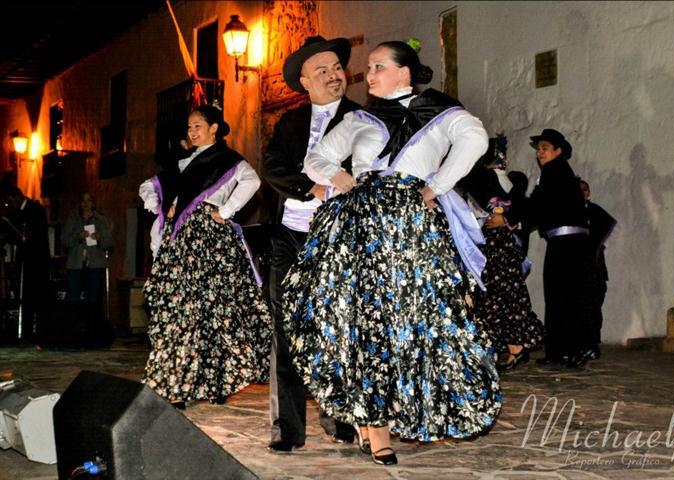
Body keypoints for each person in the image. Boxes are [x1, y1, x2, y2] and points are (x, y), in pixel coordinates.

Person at [283, 40, 502, 466]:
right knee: (363, 323)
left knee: (413, 319)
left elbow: (476, 141)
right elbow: (317, 159)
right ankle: (373, 426)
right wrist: (340, 177)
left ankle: (411, 408)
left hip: (409, 231)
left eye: (378, 66)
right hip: (359, 228)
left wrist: (435, 187)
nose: (369, 74)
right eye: (368, 67)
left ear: (405, 72)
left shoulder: (442, 114)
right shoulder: (361, 118)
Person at [261, 35, 361, 452]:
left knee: (338, 327)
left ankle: (339, 417)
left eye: (337, 68)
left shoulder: (363, 119)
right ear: (304, 81)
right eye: (322, 70)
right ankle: (288, 428)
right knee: (286, 330)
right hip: (290, 234)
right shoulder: (289, 123)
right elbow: (272, 167)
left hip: (337, 236)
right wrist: (311, 188)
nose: (333, 75)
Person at [139, 104, 271, 409]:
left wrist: (225, 211)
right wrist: (158, 205)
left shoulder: (227, 160)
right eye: (189, 128)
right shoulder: (184, 164)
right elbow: (150, 187)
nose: (192, 132)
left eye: (198, 126)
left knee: (213, 313)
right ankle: (180, 383)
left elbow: (252, 182)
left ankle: (215, 381)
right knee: (182, 312)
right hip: (182, 239)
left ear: (214, 128)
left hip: (210, 240)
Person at [456, 134, 544, 371]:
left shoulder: (501, 181)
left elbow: (524, 209)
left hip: (498, 246)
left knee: (500, 295)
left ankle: (513, 347)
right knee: (500, 296)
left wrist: (504, 218)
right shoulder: (493, 180)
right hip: (495, 244)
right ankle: (512, 347)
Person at [527, 129, 597, 368]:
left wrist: (512, 219)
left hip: (567, 246)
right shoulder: (557, 172)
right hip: (567, 244)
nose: (540, 153)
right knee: (562, 296)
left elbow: (537, 204)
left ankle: (575, 348)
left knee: (565, 295)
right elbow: (542, 205)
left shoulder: (554, 171)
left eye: (544, 148)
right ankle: (562, 351)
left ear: (558, 151)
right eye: (538, 149)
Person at [60, 192, 114, 347]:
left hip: (95, 265)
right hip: (76, 265)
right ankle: (74, 336)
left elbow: (109, 242)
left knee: (93, 302)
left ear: (93, 203)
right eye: (83, 201)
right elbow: (64, 239)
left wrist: (99, 239)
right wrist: (78, 236)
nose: (85, 203)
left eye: (88, 200)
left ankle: (93, 336)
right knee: (74, 301)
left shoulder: (101, 220)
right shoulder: (73, 219)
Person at [0, 180, 50, 346]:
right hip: (24, 261)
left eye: (11, 201)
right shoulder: (15, 213)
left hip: (37, 261)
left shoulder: (35, 210)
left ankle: (41, 334)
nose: (9, 204)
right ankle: (26, 334)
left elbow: (36, 235)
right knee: (25, 297)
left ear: (17, 197)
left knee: (38, 298)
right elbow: (13, 236)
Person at [579, 178, 616, 359]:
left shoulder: (594, 211)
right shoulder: (573, 212)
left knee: (593, 306)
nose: (583, 192)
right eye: (579, 190)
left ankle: (592, 344)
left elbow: (606, 226)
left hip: (594, 267)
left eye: (585, 189)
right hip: (578, 267)